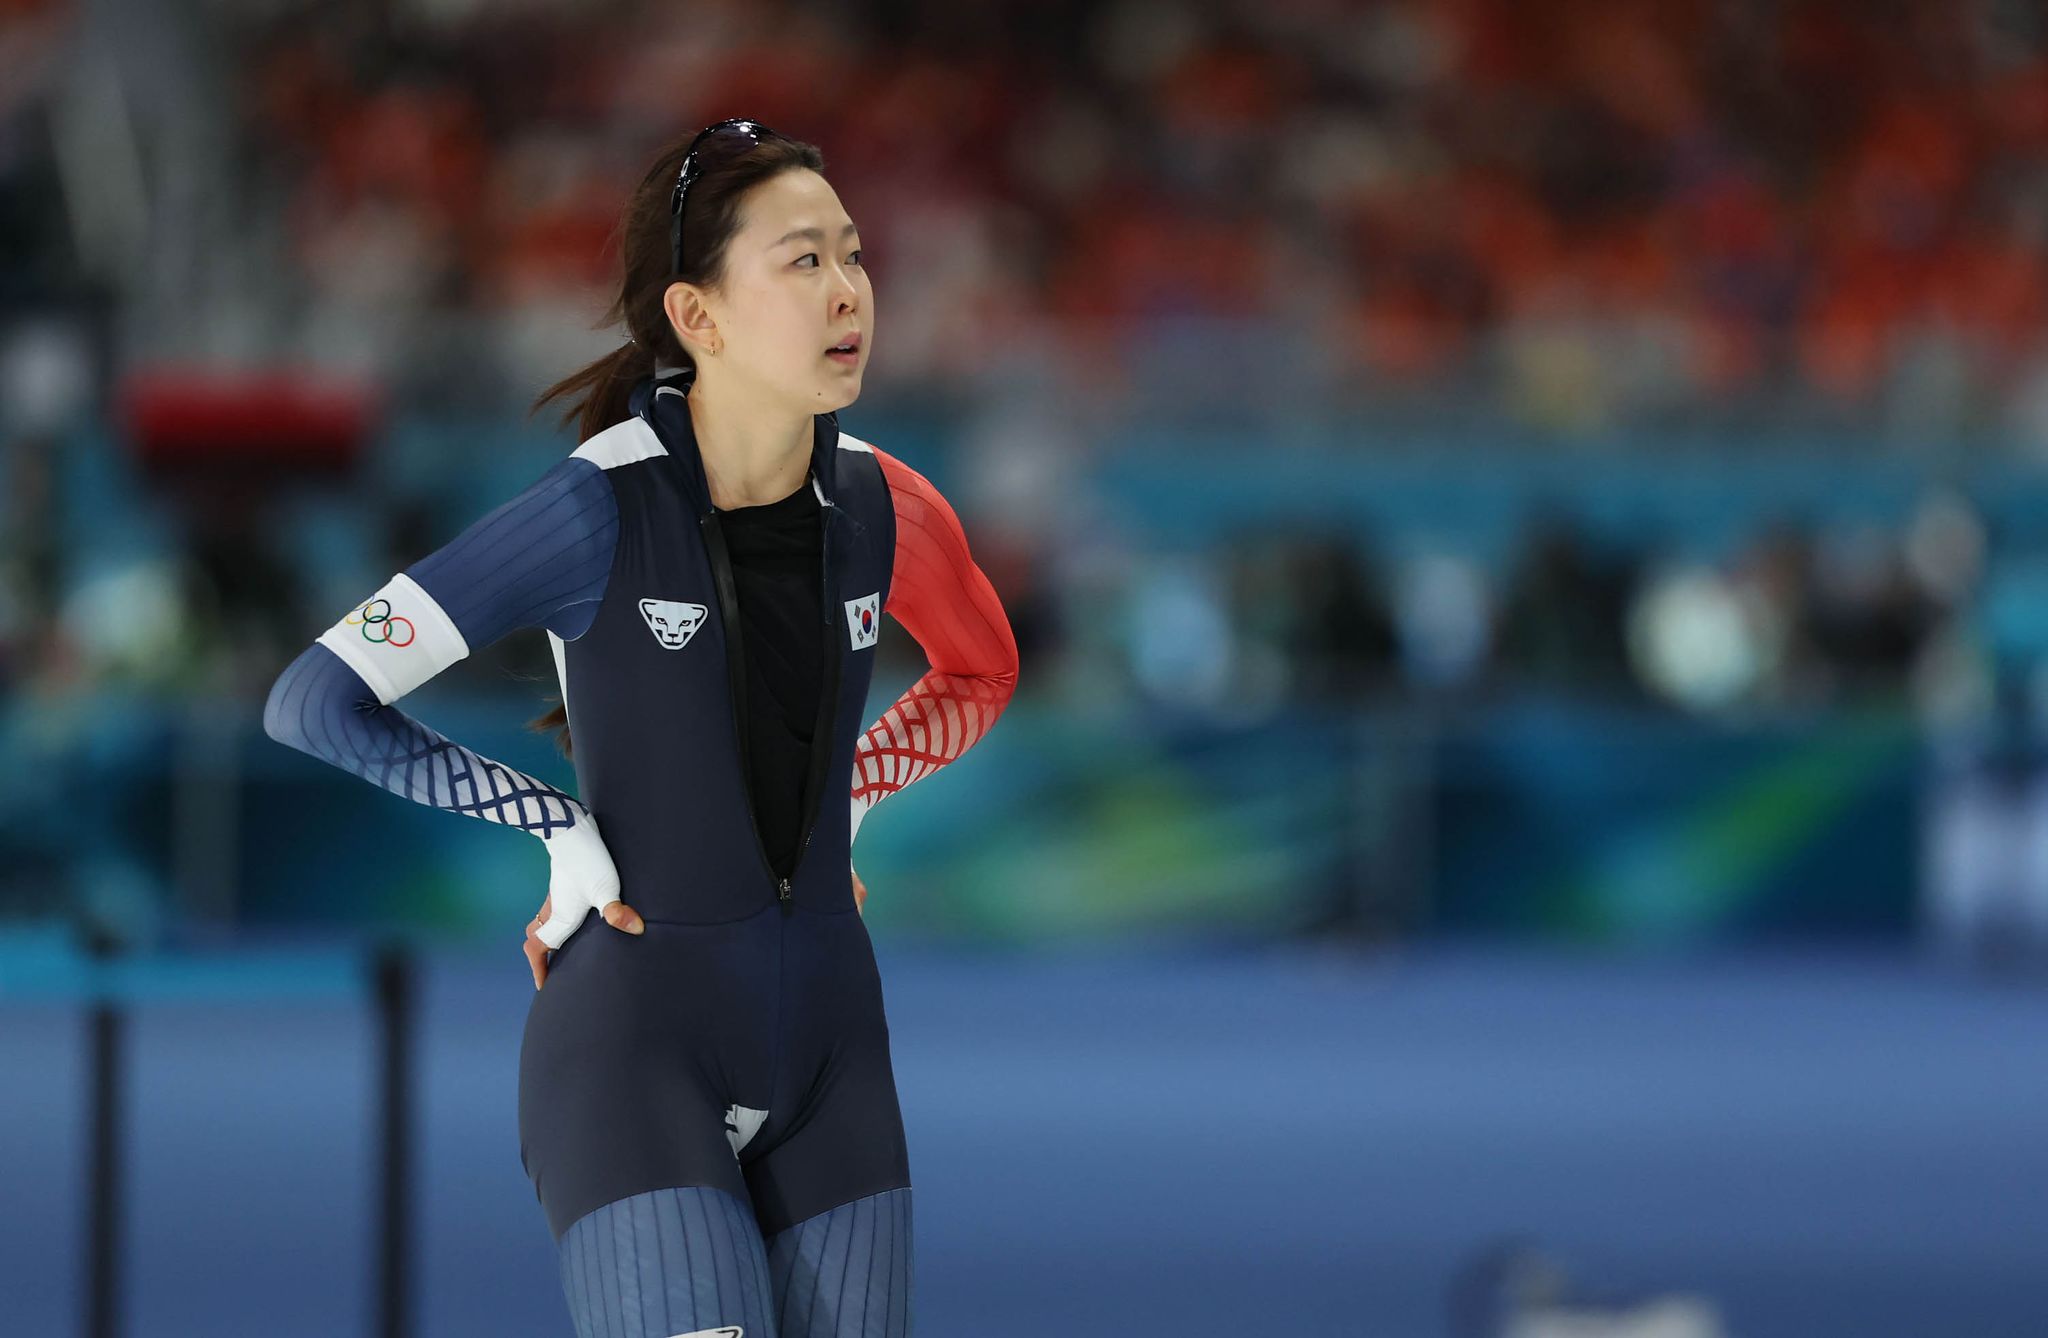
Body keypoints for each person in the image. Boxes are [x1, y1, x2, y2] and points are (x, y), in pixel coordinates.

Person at [264, 118, 1019, 1337]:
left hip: (834, 1046)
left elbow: (980, 670)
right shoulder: (593, 510)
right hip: (632, 1051)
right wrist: (550, 824)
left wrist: (856, 791)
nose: (848, 292)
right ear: (697, 316)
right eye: (801, 261)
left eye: (853, 254)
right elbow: (314, 698)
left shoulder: (891, 507)